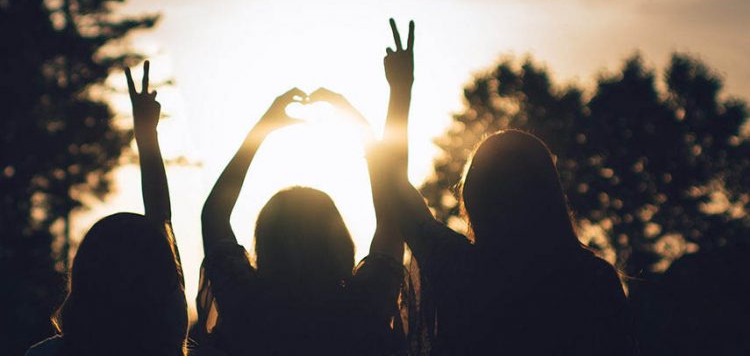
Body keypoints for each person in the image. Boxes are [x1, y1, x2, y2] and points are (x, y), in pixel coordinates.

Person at [375, 20, 638, 355]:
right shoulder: (595, 281)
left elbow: (391, 185)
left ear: (474, 197)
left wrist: (400, 92)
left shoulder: (461, 269)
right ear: (549, 196)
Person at [195, 74, 408, 353]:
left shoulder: (246, 306)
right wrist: (365, 123)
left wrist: (261, 130)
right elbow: (394, 217)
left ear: (268, 243)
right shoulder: (365, 305)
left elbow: (213, 214)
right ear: (339, 242)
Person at [25, 61, 189, 356]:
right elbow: (161, 218)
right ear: (164, 283)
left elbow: (160, 219)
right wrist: (147, 136)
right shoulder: (164, 343)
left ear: (84, 277)